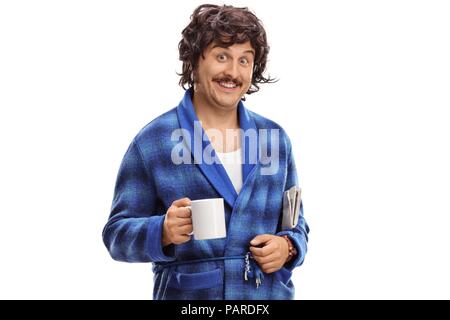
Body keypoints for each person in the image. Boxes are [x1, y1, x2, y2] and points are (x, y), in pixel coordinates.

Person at [102, 4, 309, 300]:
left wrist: (288, 247)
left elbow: (296, 223)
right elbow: (116, 236)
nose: (233, 72)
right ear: (195, 61)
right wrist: (162, 230)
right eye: (221, 56)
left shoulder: (274, 141)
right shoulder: (153, 141)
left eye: (244, 60)